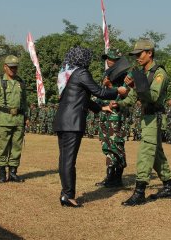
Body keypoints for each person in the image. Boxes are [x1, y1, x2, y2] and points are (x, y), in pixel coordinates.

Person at [53, 46, 128, 208]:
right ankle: (68, 195)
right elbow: (99, 92)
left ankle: (65, 193)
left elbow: (82, 97)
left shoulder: (67, 73)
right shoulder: (81, 72)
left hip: (62, 120)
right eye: (87, 57)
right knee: (68, 161)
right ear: (82, 59)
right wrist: (119, 91)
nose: (89, 60)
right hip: (72, 122)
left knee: (64, 159)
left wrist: (100, 108)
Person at [111, 38, 171, 206]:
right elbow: (132, 98)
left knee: (146, 153)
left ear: (149, 53)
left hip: (155, 118)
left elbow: (153, 97)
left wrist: (136, 83)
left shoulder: (159, 73)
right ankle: (169, 187)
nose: (137, 58)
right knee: (157, 156)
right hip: (147, 118)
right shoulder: (142, 73)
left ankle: (139, 192)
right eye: (135, 55)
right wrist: (119, 103)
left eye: (139, 54)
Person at [0, 55, 29, 183]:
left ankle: (13, 173)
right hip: (4, 120)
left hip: (19, 120)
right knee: (3, 147)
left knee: (17, 147)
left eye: (15, 67)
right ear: (5, 67)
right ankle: (1, 173)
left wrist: (26, 117)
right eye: (11, 67)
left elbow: (24, 102)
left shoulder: (21, 82)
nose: (13, 70)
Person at [96, 49, 130, 188]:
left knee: (117, 145)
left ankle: (117, 178)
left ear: (118, 61)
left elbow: (127, 93)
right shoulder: (107, 73)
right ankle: (110, 176)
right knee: (107, 145)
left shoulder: (125, 75)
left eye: (111, 58)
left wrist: (110, 86)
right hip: (106, 114)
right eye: (107, 58)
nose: (108, 60)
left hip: (117, 114)